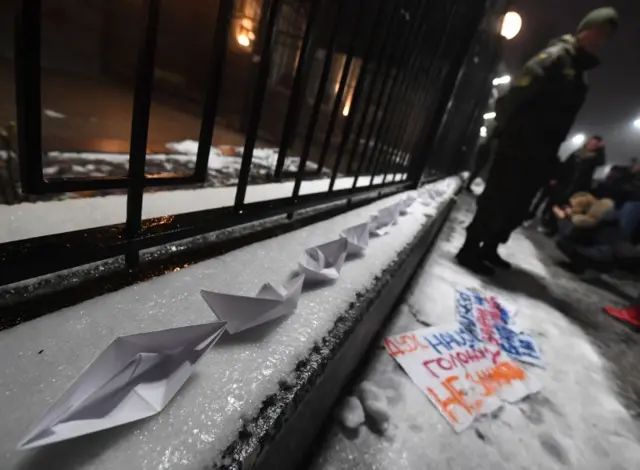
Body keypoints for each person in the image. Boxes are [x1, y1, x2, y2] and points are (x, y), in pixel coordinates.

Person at [456, 7, 619, 275]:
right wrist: (505, 128)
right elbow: (519, 90)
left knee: (518, 204)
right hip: (519, 143)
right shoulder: (556, 57)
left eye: (606, 37)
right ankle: (471, 248)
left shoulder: (580, 73)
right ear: (585, 30)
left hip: (541, 151)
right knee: (498, 197)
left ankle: (491, 247)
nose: (601, 41)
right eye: (599, 33)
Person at [539, 135, 606, 234]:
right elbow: (565, 165)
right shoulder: (577, 153)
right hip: (564, 183)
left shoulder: (594, 158)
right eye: (591, 142)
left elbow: (602, 162)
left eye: (595, 144)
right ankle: (547, 222)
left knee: (565, 208)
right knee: (554, 204)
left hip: (577, 187)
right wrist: (556, 178)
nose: (592, 145)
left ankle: (552, 228)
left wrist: (602, 149)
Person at [465, 127, 499, 192]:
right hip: (484, 159)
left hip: (482, 158)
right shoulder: (494, 142)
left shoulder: (489, 142)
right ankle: (469, 185)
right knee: (477, 172)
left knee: (476, 172)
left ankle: (469, 185)